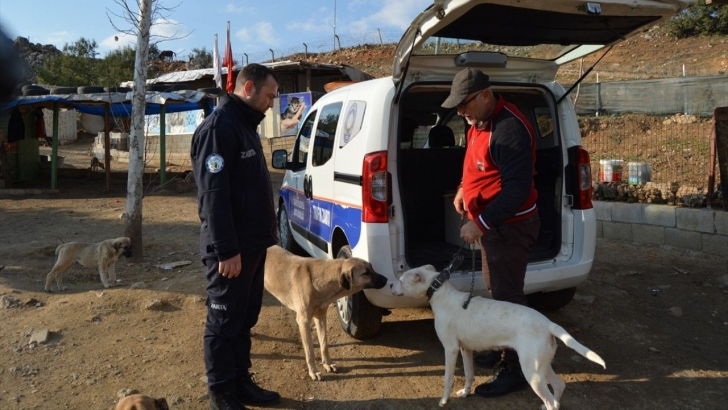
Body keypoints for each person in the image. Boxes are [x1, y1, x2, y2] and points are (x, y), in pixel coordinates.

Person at [442, 68, 541, 398]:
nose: (460, 113)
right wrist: (462, 189)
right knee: (495, 287)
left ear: (485, 94)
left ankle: (515, 368)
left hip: (510, 227)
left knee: (508, 298)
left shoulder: (510, 129)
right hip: (493, 229)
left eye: (464, 105)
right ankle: (501, 348)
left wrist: (480, 223)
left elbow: (515, 191)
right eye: (456, 107)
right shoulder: (477, 122)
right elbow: (475, 164)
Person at [190, 63, 281, 410]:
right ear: (248, 89)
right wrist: (226, 249)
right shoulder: (219, 129)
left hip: (252, 246)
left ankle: (240, 380)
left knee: (245, 318)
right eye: (269, 96)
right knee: (223, 321)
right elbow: (213, 196)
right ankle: (222, 392)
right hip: (230, 251)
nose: (272, 103)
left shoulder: (244, 126)